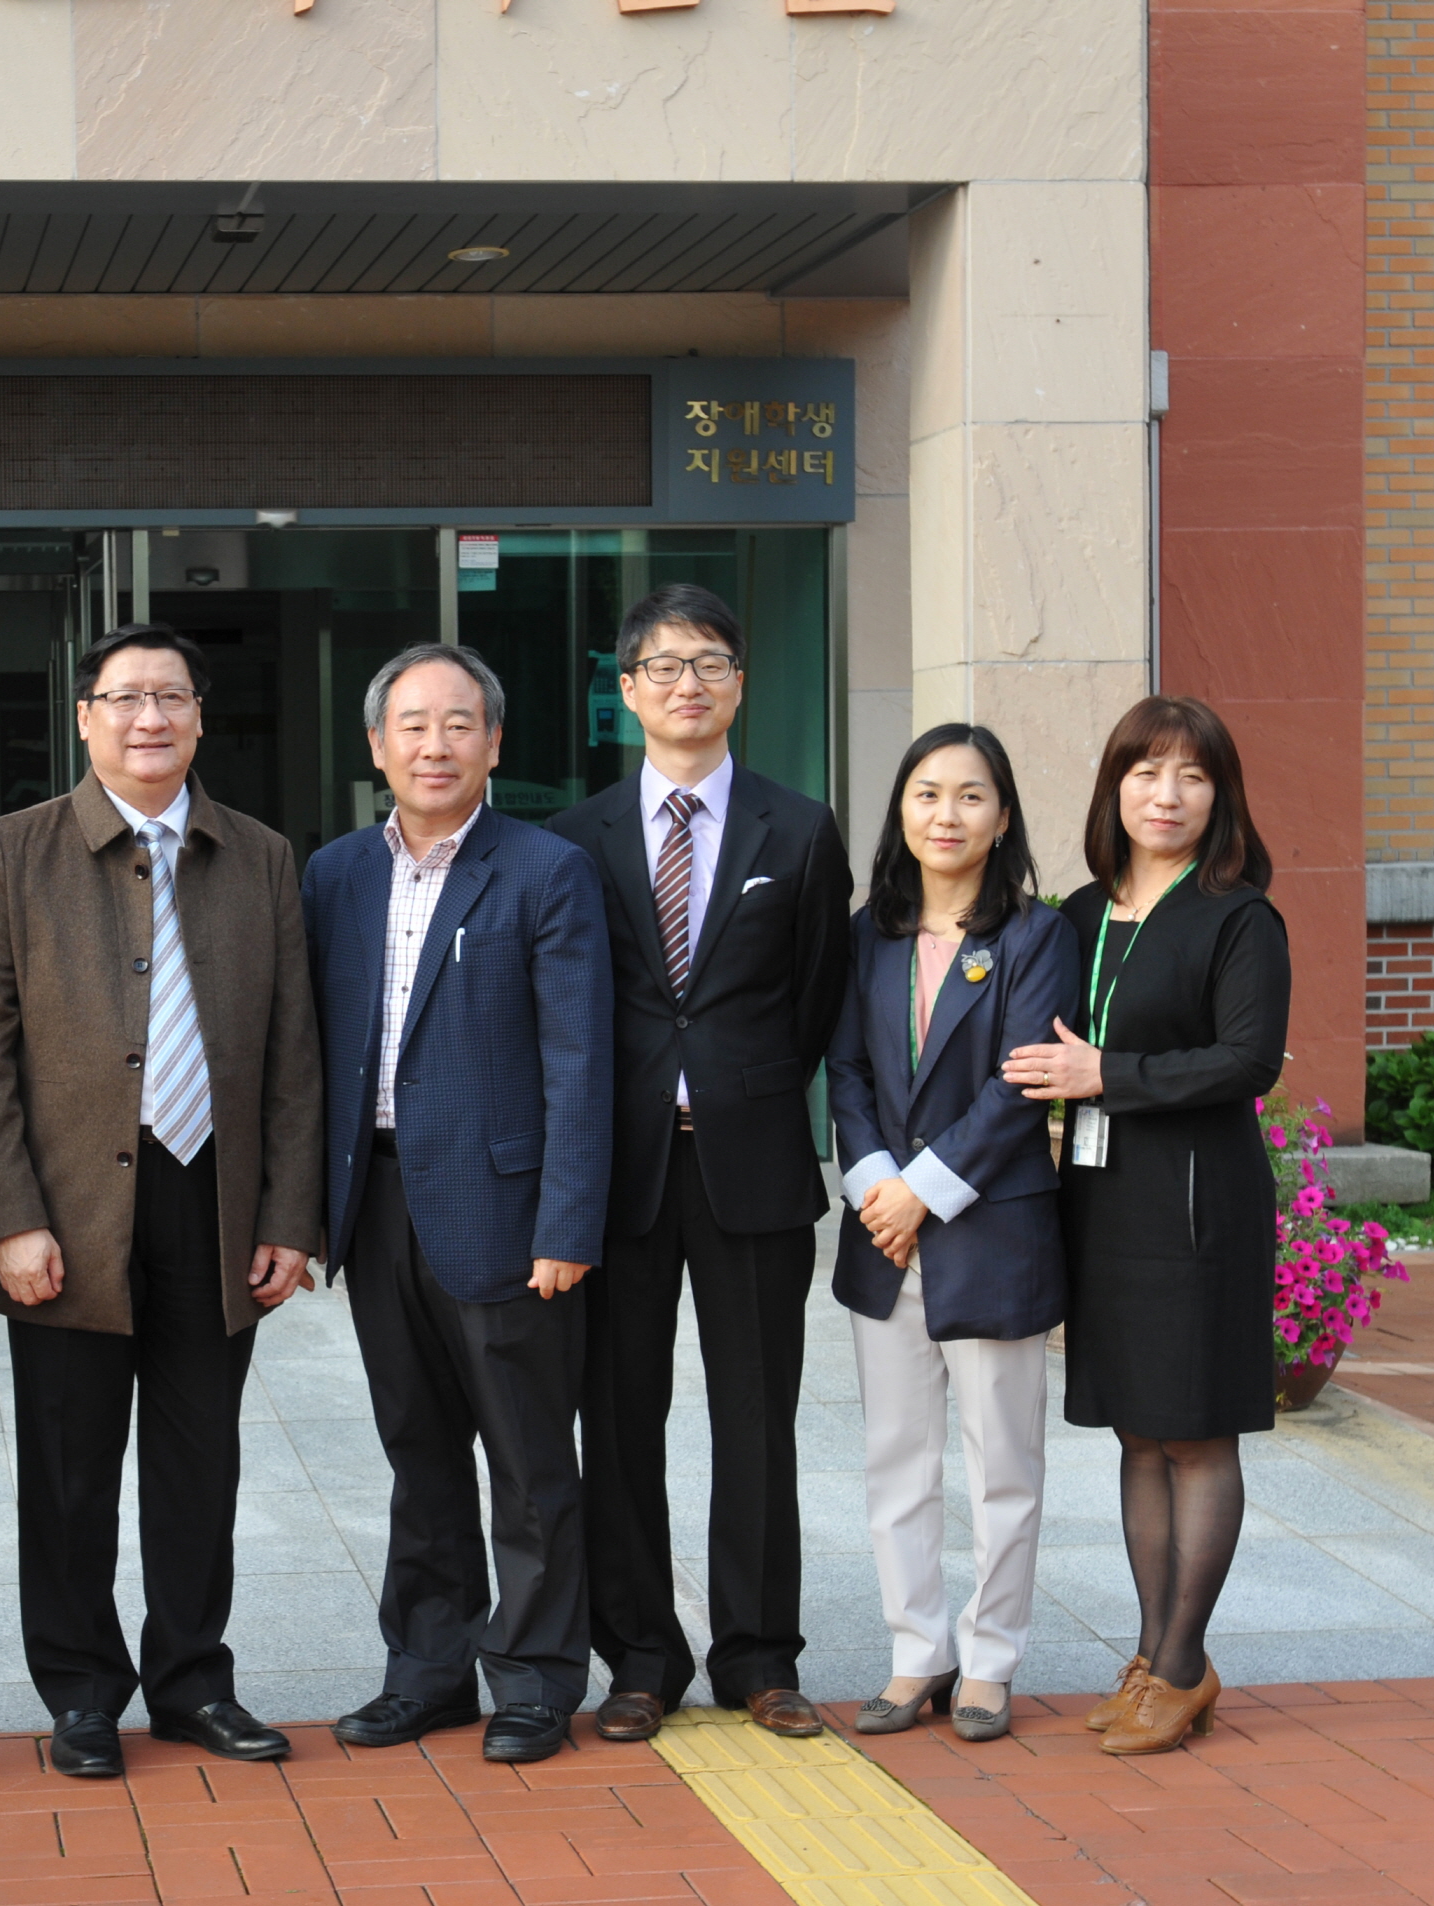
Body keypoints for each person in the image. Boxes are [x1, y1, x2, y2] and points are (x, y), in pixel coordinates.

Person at [0, 623, 322, 1779]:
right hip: (64, 1216)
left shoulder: (259, 856)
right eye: (123, 697)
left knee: (199, 1464)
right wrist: (8, 1217)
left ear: (199, 715)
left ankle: (194, 1681)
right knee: (68, 1470)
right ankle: (79, 1693)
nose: (148, 717)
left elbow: (295, 1051)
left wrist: (287, 1217)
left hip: (214, 1204)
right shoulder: (11, 853)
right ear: (84, 717)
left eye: (170, 697)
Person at [299, 646, 612, 1763]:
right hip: (374, 1201)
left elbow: (580, 1059)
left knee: (527, 1461)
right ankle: (427, 1670)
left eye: (458, 723)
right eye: (412, 725)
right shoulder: (334, 874)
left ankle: (533, 1678)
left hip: (506, 1212)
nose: (434, 745)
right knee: (416, 1452)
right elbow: (308, 1052)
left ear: (493, 741)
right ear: (376, 744)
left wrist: (566, 1223)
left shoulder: (546, 869)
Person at [550, 583, 849, 1742]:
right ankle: (639, 1656)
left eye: (710, 662)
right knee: (618, 1420)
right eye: (664, 666)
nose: (688, 683)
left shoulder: (799, 829)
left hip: (751, 1165)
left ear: (738, 684)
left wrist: (739, 1091)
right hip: (617, 1173)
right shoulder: (574, 837)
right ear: (626, 690)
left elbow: (814, 1000)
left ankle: (758, 1656)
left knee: (756, 1420)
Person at [1005, 696, 1288, 1757]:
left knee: (1196, 1430)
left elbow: (1246, 1060)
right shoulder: (1079, 914)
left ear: (1220, 796)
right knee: (1137, 1430)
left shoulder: (1237, 916)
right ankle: (1152, 1654)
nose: (1165, 795)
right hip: (1103, 1200)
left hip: (1197, 1207)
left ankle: (1181, 1665)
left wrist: (1103, 1074)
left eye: (1191, 776)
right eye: (1144, 772)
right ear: (1112, 788)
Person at [826, 725, 1071, 1744]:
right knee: (896, 1458)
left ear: (1002, 817)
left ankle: (990, 1657)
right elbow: (844, 1071)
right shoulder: (867, 934)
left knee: (1000, 1462)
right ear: (901, 810)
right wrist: (876, 1188)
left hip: (989, 1232)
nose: (946, 814)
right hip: (884, 1237)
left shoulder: (1035, 936)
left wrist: (920, 1193)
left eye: (971, 796)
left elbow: (1021, 1083)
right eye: (926, 793)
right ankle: (916, 1648)